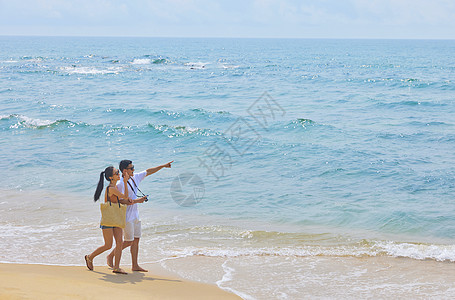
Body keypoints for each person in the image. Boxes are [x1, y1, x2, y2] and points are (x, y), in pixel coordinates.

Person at [106, 159, 173, 272]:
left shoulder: (135, 177)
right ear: (124, 170)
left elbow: (148, 171)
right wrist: (138, 201)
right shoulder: (120, 184)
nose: (133, 169)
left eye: (133, 167)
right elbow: (120, 201)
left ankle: (135, 265)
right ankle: (111, 255)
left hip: (135, 215)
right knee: (129, 241)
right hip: (126, 216)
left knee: (136, 240)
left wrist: (163, 166)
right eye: (131, 168)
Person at [84, 166, 141, 274]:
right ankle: (89, 257)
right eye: (116, 173)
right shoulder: (111, 188)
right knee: (108, 245)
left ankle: (116, 267)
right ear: (111, 177)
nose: (119, 174)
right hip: (109, 219)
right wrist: (124, 181)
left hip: (116, 218)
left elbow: (123, 198)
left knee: (119, 243)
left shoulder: (114, 187)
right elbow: (124, 196)